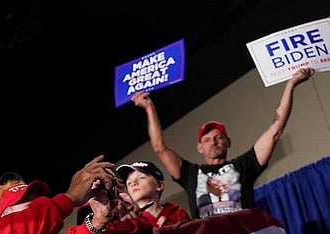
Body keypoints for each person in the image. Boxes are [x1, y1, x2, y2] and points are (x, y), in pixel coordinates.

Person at [130, 67, 315, 218]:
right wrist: (149, 108)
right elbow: (159, 147)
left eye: (219, 137)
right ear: (199, 147)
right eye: (207, 140)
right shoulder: (190, 173)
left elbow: (275, 130)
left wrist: (291, 85)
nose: (214, 142)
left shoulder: (244, 165)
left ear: (228, 142)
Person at [114, 161, 190, 227]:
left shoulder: (178, 213)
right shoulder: (132, 221)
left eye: (141, 178)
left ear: (159, 185)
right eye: (129, 183)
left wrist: (173, 229)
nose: (133, 183)